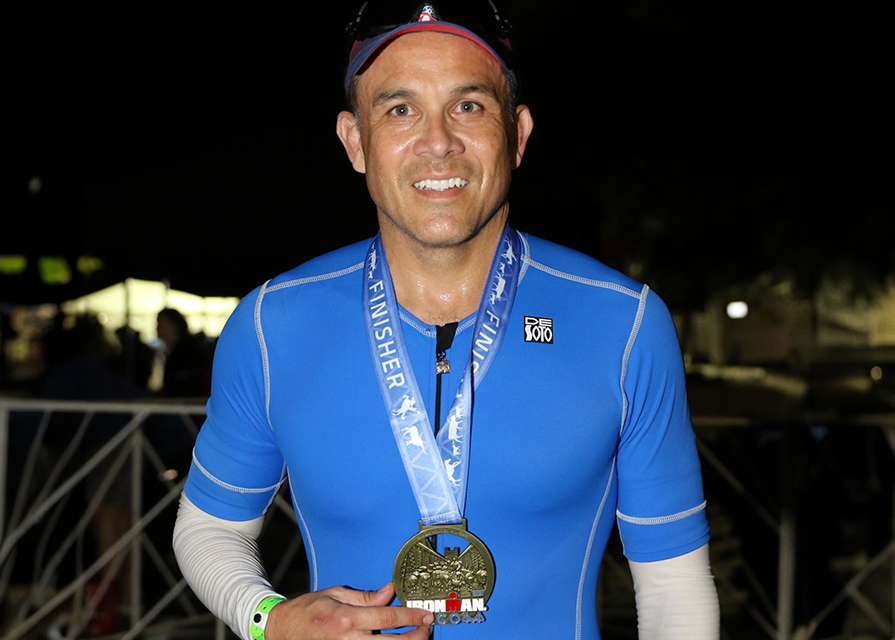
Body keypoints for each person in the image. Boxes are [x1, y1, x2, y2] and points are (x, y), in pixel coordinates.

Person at [173, 2, 721, 639]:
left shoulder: (624, 324)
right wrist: (265, 620)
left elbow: (674, 584)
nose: (438, 142)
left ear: (516, 134)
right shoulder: (271, 324)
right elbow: (208, 528)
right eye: (400, 109)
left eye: (469, 106)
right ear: (355, 141)